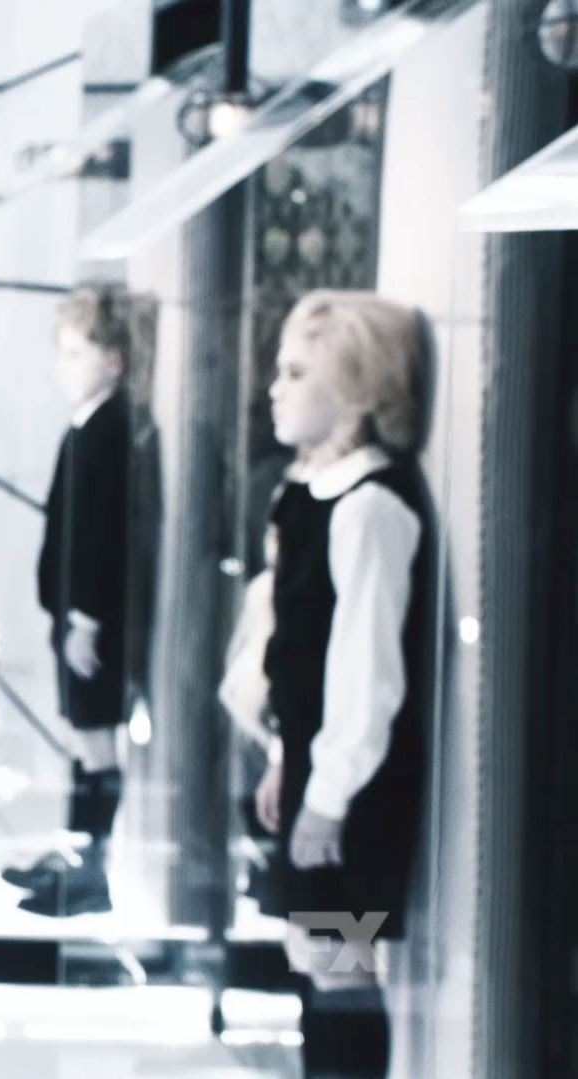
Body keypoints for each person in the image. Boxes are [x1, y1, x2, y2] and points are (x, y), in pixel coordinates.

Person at [253, 290, 431, 1079]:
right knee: (312, 948)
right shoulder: (308, 494)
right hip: (316, 772)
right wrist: (284, 758)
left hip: (353, 794)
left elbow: (366, 672)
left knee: (340, 961)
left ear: (356, 391)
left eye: (297, 373)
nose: (275, 388)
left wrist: (327, 794)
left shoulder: (369, 507)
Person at [5, 283, 147, 918]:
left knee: (96, 744)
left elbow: (104, 532)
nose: (62, 368)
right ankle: (77, 858)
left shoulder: (111, 431)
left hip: (93, 620)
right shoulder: (88, 427)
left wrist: (86, 617)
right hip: (73, 614)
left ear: (113, 360)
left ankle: (93, 873)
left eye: (76, 353)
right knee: (84, 740)